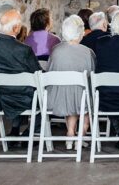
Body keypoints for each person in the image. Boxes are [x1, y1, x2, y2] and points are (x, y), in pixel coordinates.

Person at [0, 10, 40, 132]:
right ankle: (32, 131)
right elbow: (38, 74)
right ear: (16, 28)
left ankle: (15, 128)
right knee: (40, 91)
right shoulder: (24, 50)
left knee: (15, 86)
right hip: (23, 100)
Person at [46, 14, 96, 149]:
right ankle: (81, 135)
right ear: (80, 32)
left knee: (71, 95)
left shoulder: (55, 50)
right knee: (84, 98)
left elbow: (49, 71)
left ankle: (70, 133)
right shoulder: (87, 52)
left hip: (56, 98)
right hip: (80, 99)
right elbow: (92, 75)